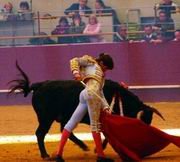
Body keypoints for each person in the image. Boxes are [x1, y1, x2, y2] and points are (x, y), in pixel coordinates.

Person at [55, 53, 114, 162]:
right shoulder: (90, 62)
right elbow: (74, 60)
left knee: (71, 123)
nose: (105, 71)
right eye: (105, 67)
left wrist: (105, 106)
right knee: (95, 125)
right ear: (101, 63)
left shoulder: (100, 75)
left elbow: (100, 93)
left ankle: (59, 155)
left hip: (86, 93)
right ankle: (101, 156)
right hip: (91, 94)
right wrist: (76, 72)